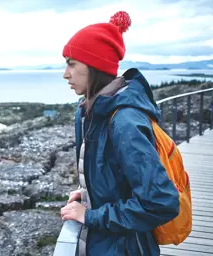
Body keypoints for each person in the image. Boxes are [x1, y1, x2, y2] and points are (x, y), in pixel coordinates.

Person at [59, 11, 180, 256]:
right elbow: (117, 180)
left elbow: (161, 203)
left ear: (94, 66)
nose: (65, 74)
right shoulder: (90, 112)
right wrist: (88, 193)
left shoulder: (125, 121)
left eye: (72, 64)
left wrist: (92, 215)